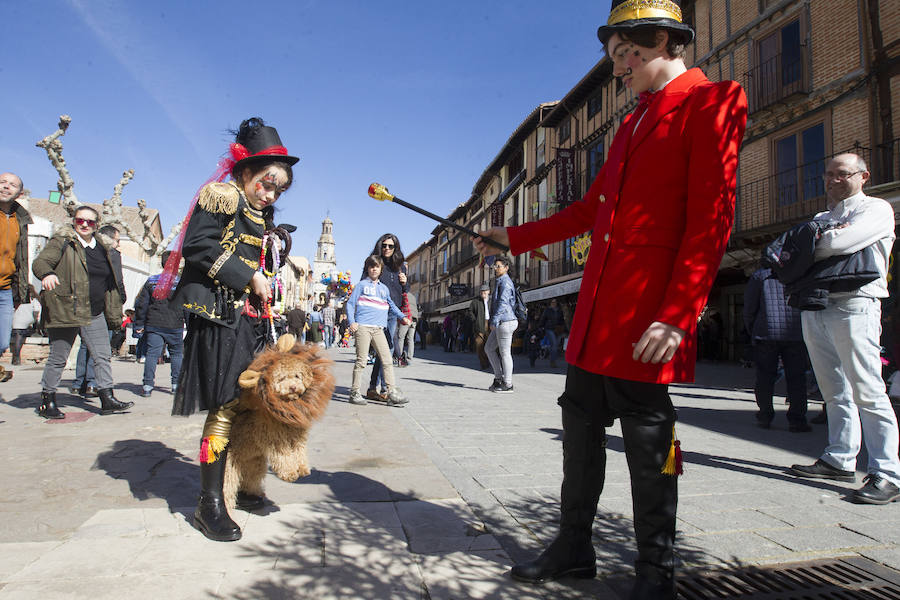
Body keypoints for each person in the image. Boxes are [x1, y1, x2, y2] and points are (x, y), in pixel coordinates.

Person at [473, 3, 748, 596]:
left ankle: (658, 567)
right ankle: (574, 547)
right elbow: (587, 210)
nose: (620, 68)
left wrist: (678, 314)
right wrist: (514, 236)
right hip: (597, 312)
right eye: (614, 57)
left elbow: (711, 221)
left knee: (656, 446)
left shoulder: (712, 101)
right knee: (579, 437)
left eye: (629, 54)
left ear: (667, 44)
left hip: (649, 314)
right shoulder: (629, 125)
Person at [168, 117, 299, 541]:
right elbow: (198, 246)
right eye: (266, 183)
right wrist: (248, 276)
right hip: (221, 318)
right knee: (223, 408)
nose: (271, 193)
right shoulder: (221, 196)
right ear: (245, 173)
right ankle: (209, 504)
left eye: (279, 187)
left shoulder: (260, 215)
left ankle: (241, 485)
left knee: (247, 405)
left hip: (250, 322)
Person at [789, 153, 900, 505]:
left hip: (855, 304)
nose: (833, 180)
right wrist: (807, 247)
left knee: (867, 389)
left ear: (863, 176)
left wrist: (808, 248)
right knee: (832, 388)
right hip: (817, 304)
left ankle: (888, 473)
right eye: (828, 175)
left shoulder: (876, 209)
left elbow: (834, 244)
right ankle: (840, 457)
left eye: (842, 174)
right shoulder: (823, 217)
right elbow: (796, 251)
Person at [32, 206, 133, 419]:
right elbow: (40, 262)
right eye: (80, 221)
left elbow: (111, 281)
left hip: (94, 312)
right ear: (74, 221)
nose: (85, 225)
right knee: (58, 357)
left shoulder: (104, 249)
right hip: (67, 309)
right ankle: (48, 400)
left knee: (102, 356)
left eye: (90, 221)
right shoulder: (62, 241)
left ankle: (107, 398)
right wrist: (47, 274)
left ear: (97, 224)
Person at [743, 261, 811, 432]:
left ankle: (765, 415)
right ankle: (797, 419)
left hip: (766, 333)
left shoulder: (761, 276)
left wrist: (751, 328)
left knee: (765, 377)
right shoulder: (801, 272)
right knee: (797, 379)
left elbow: (750, 306)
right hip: (796, 333)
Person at [345, 254, 410, 406]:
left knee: (387, 360)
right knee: (361, 361)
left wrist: (403, 317)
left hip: (379, 329)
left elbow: (392, 306)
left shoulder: (384, 289)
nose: (374, 269)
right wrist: (352, 322)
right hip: (363, 327)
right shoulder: (361, 285)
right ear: (368, 269)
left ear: (381, 270)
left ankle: (392, 392)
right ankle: (354, 392)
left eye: (377, 267)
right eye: (371, 267)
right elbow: (350, 304)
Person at [71, 225, 124, 397]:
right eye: (117, 240)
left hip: (80, 302)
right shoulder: (112, 254)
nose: (119, 244)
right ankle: (93, 384)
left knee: (86, 346)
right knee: (101, 347)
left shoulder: (84, 250)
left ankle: (79, 382)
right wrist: (121, 299)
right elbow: (117, 280)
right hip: (102, 304)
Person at [133, 250, 185, 397]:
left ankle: (148, 385)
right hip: (175, 324)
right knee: (176, 355)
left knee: (152, 354)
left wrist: (139, 325)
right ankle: (176, 385)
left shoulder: (151, 281)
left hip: (154, 323)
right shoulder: (181, 283)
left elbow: (142, 305)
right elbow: (187, 306)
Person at [363, 233, 408, 400]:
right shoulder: (374, 263)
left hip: (392, 312)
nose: (387, 248)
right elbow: (364, 284)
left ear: (395, 248)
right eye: (384, 245)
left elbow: (405, 291)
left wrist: (405, 282)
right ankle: (384, 390)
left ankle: (373, 387)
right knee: (386, 350)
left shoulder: (400, 266)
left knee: (384, 350)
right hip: (377, 311)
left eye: (390, 246)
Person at [0, 172, 33, 382]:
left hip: (5, 289)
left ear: (19, 193)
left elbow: (22, 258)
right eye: (2, 182)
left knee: (3, 342)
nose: (5, 187)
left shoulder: (20, 220)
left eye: (11, 185)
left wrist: (21, 292)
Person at [485, 256, 518, 393]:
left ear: (506, 268)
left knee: (505, 353)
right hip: (502, 321)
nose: (495, 268)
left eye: (498, 266)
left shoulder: (505, 282)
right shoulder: (500, 281)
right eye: (495, 266)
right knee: (488, 348)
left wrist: (494, 320)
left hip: (505, 321)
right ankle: (499, 378)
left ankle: (508, 384)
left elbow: (503, 304)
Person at [9, 285, 40, 365]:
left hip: (16, 321)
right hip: (26, 321)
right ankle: (16, 357)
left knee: (17, 335)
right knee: (20, 335)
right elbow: (36, 312)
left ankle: (16, 357)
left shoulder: (16, 299)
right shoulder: (34, 299)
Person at [538, 298, 566, 368]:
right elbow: (543, 319)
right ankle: (552, 361)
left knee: (556, 345)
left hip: (558, 329)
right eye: (552, 302)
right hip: (549, 329)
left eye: (555, 302)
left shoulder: (559, 310)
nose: (554, 303)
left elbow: (562, 320)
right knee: (553, 345)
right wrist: (541, 327)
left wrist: (564, 328)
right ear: (550, 303)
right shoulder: (547, 310)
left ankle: (552, 358)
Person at [396, 291, 418, 365]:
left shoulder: (403, 295)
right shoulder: (413, 296)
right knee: (410, 339)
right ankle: (410, 357)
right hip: (414, 318)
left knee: (401, 337)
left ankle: (399, 356)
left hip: (407, 317)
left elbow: (400, 306)